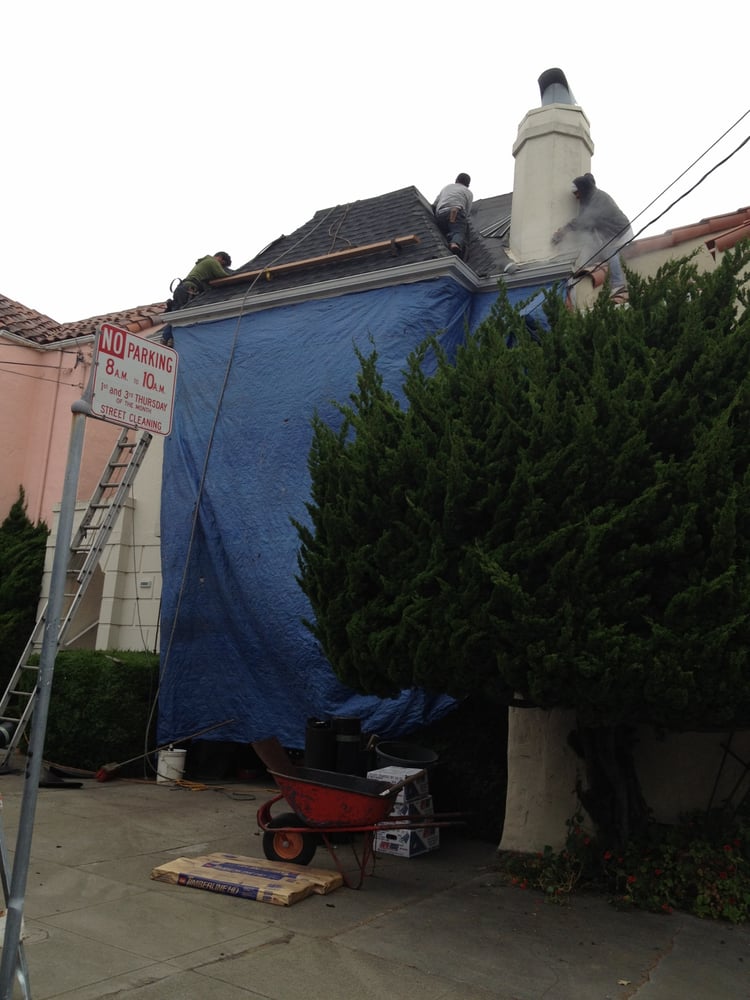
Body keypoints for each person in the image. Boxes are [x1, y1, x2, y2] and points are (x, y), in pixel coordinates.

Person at [551, 173, 632, 296]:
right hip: (610, 234)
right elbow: (586, 225)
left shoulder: (597, 199)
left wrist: (563, 231)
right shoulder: (589, 198)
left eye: (577, 193)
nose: (576, 197)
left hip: (621, 232)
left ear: (583, 189)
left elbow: (583, 220)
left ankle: (618, 285)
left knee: (610, 251)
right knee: (597, 252)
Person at [162, 252, 233, 346]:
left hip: (182, 288)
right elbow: (222, 275)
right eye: (222, 264)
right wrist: (233, 275)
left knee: (176, 313)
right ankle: (167, 338)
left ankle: (168, 338)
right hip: (188, 289)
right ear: (219, 257)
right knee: (178, 316)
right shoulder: (212, 261)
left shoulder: (204, 263)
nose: (221, 266)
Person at [433, 173, 473, 259]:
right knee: (458, 231)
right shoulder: (468, 192)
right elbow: (467, 211)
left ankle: (449, 237)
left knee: (447, 230)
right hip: (455, 211)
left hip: (441, 214)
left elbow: (435, 203)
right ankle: (455, 243)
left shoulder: (447, 187)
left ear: (456, 180)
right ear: (468, 184)